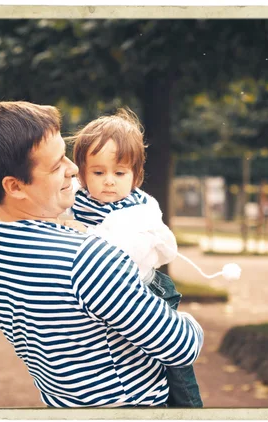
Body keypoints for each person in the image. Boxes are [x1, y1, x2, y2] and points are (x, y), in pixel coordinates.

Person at [0, 101, 204, 408]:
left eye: (65, 154)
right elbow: (180, 346)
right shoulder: (87, 259)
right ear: (15, 186)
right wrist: (188, 323)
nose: (74, 168)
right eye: (56, 164)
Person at [68, 108, 205, 407]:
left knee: (174, 363)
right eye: (98, 172)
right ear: (81, 173)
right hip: (114, 288)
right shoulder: (75, 200)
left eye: (119, 173)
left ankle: (191, 409)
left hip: (150, 287)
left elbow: (153, 248)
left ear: (136, 176)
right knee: (134, 349)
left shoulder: (140, 208)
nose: (109, 182)